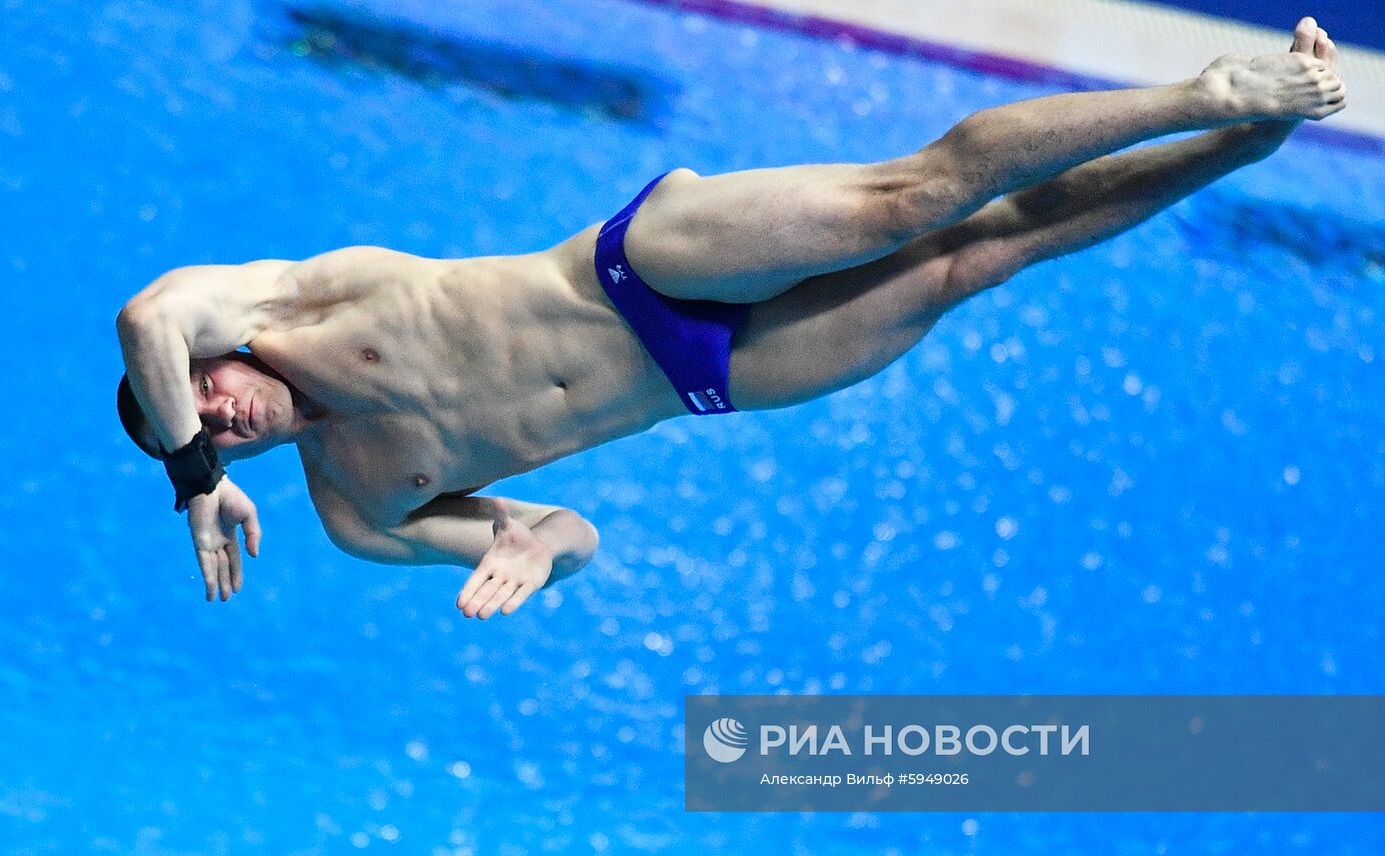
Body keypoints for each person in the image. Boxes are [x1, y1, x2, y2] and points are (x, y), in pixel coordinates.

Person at [116, 19, 1345, 618]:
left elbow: (143, 317)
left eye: (204, 397)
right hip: (707, 378)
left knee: (912, 193)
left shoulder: (286, 300)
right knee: (970, 260)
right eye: (221, 439)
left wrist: (189, 477)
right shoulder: (357, 505)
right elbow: (561, 527)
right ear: (246, 460)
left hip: (625, 269)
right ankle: (1250, 134)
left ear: (208, 369)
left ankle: (1203, 86)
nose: (222, 414)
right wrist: (537, 547)